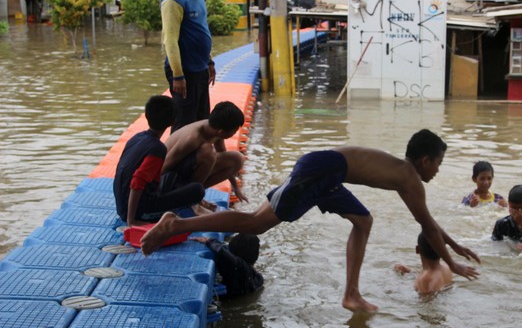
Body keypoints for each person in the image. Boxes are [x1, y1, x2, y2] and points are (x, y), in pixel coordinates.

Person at [141, 129, 481, 314]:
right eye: (437, 164)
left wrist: (454, 245)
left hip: (323, 170)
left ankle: (351, 295)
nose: (437, 170)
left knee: (362, 221)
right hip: (322, 172)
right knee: (256, 223)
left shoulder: (404, 174)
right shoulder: (410, 178)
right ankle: (176, 225)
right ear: (425, 160)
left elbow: (429, 223)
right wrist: (452, 261)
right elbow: (428, 226)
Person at [113, 95, 205, 227]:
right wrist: (131, 220)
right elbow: (137, 183)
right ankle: (141, 213)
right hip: (139, 211)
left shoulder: (137, 137)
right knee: (197, 190)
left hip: (122, 204)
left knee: (172, 176)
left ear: (146, 115)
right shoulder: (157, 149)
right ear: (173, 121)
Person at [161, 0, 216, 132]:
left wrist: (209, 60)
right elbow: (170, 40)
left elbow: (202, 28)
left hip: (200, 68)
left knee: (202, 121)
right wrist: (178, 74)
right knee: (183, 124)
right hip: (184, 71)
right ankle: (175, 160)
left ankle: (197, 160)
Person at [160, 101, 247, 204]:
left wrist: (235, 187)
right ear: (221, 132)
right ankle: (190, 199)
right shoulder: (192, 138)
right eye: (234, 131)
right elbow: (164, 166)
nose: (234, 133)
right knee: (208, 153)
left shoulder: (215, 129)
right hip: (169, 177)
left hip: (186, 171)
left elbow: (224, 155)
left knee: (237, 160)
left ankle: (194, 194)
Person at [193, 234, 264, 297]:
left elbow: (222, 251)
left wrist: (209, 241)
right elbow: (224, 248)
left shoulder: (239, 265)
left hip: (233, 298)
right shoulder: (255, 274)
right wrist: (213, 241)